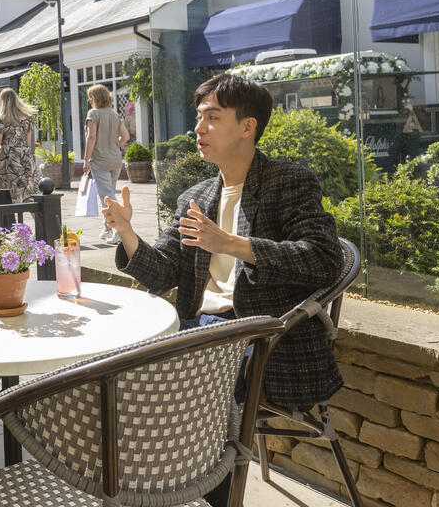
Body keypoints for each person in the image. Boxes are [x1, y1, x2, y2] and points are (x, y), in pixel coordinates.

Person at [102, 73, 343, 408]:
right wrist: (126, 231)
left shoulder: (289, 183)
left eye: (213, 117)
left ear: (247, 127)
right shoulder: (195, 198)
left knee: (147, 397)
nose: (199, 128)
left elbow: (323, 260)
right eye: (199, 117)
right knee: (110, 372)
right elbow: (162, 274)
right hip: (195, 330)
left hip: (260, 339)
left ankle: (189, 454)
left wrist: (231, 244)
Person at [82, 84, 129, 243]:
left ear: (95, 98)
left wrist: (86, 158)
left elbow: (91, 137)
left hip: (100, 161)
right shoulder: (114, 114)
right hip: (115, 160)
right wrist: (114, 145)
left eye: (90, 96)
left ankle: (119, 231)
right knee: (110, 195)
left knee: (107, 198)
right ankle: (107, 228)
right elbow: (126, 136)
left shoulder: (93, 113)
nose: (88, 99)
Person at [0, 88, 39, 203]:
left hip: (8, 163)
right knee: (30, 196)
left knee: (8, 200)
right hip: (25, 161)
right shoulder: (26, 119)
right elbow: (28, 143)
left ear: (1, 102)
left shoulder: (0, 119)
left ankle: (11, 221)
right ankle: (41, 221)